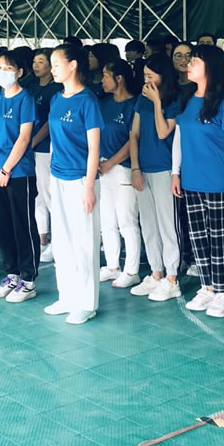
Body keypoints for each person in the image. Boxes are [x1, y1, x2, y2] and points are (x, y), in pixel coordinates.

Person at [172, 44, 224, 318]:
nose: (189, 65)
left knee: (221, 238)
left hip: (218, 181)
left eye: (195, 61)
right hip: (191, 180)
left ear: (210, 67)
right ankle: (207, 287)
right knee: (199, 237)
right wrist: (175, 172)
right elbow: (178, 138)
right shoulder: (187, 99)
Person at [44, 44, 103, 324]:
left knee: (83, 242)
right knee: (62, 241)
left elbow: (94, 148)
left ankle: (86, 303)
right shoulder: (57, 98)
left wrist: (89, 187)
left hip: (81, 179)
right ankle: (66, 296)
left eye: (56, 64)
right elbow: (55, 142)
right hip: (58, 176)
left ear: (73, 65)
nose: (52, 69)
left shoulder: (87, 101)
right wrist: (52, 176)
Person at [0, 50, 40, 303]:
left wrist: (6, 169)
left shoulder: (25, 99)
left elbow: (24, 138)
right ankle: (12, 274)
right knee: (3, 225)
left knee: (22, 225)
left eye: (8, 68)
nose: (2, 72)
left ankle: (28, 279)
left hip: (18, 172)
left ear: (20, 72)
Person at [129, 53, 181, 302]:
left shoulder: (173, 99)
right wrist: (135, 168)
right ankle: (156, 272)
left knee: (167, 225)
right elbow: (134, 134)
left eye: (151, 75)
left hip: (164, 168)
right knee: (148, 225)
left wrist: (157, 101)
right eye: (144, 75)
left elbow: (163, 132)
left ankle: (172, 277)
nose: (146, 80)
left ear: (164, 76)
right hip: (144, 168)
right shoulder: (142, 99)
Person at [97, 59, 141, 289]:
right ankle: (112, 266)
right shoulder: (104, 103)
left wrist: (110, 163)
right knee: (107, 221)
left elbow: (132, 141)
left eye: (106, 75)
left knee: (127, 222)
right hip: (103, 168)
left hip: (122, 170)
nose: (102, 80)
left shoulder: (134, 105)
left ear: (119, 78)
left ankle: (131, 270)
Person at [30, 49, 63, 264]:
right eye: (35, 61)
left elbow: (50, 123)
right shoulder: (32, 88)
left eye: (41, 62)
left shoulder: (56, 90)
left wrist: (33, 141)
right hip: (30, 148)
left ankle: (57, 241)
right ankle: (42, 239)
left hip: (44, 148)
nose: (36, 65)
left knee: (49, 195)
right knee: (37, 196)